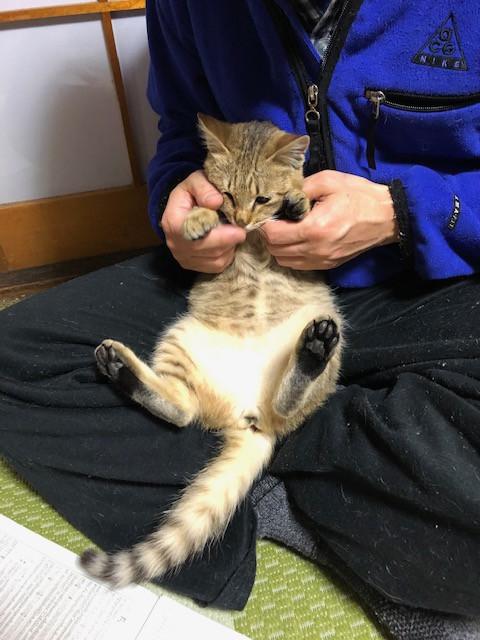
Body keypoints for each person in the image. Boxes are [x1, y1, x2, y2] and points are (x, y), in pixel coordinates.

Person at [1, 0, 480, 630]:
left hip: (430, 276)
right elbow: (181, 132)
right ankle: (341, 465)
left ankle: (286, 462)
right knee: (15, 359)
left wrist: (407, 211)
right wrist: (177, 204)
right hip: (240, 286)